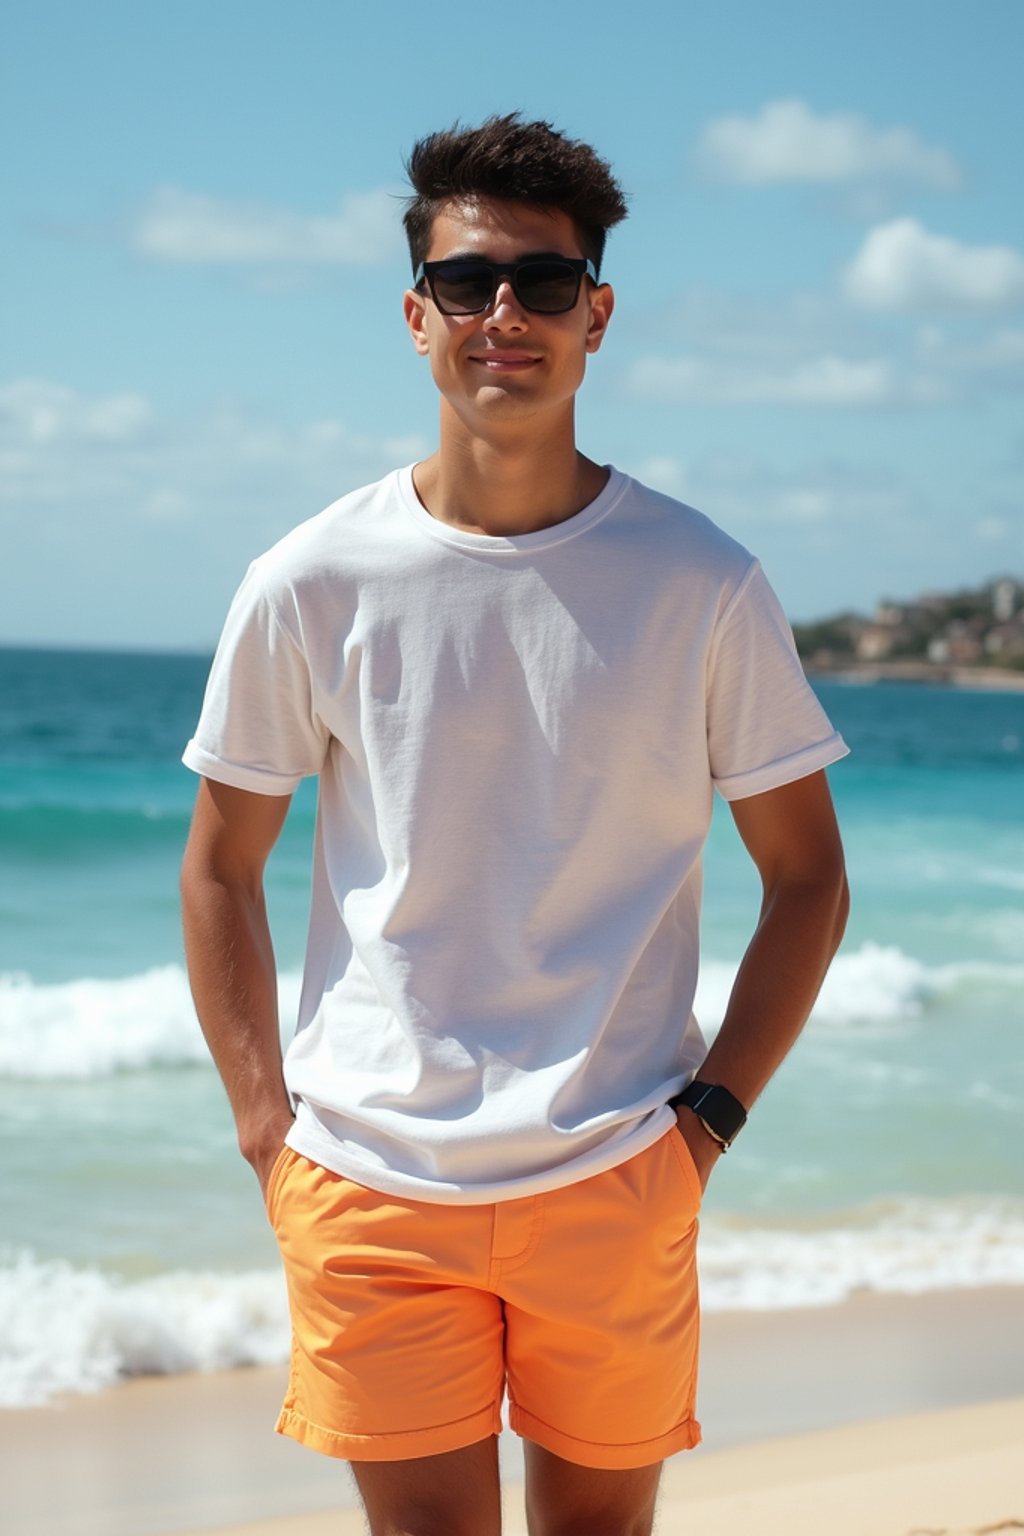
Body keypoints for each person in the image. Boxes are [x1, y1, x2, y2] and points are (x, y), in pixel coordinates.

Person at [180, 113, 849, 1536]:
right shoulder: (308, 579)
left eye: (544, 285)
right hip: (368, 1176)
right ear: (415, 316)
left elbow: (807, 878)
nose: (507, 316)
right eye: (471, 284)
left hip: (618, 1164)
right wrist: (264, 1129)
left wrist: (707, 1125)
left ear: (596, 315)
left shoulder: (702, 583)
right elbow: (219, 867)